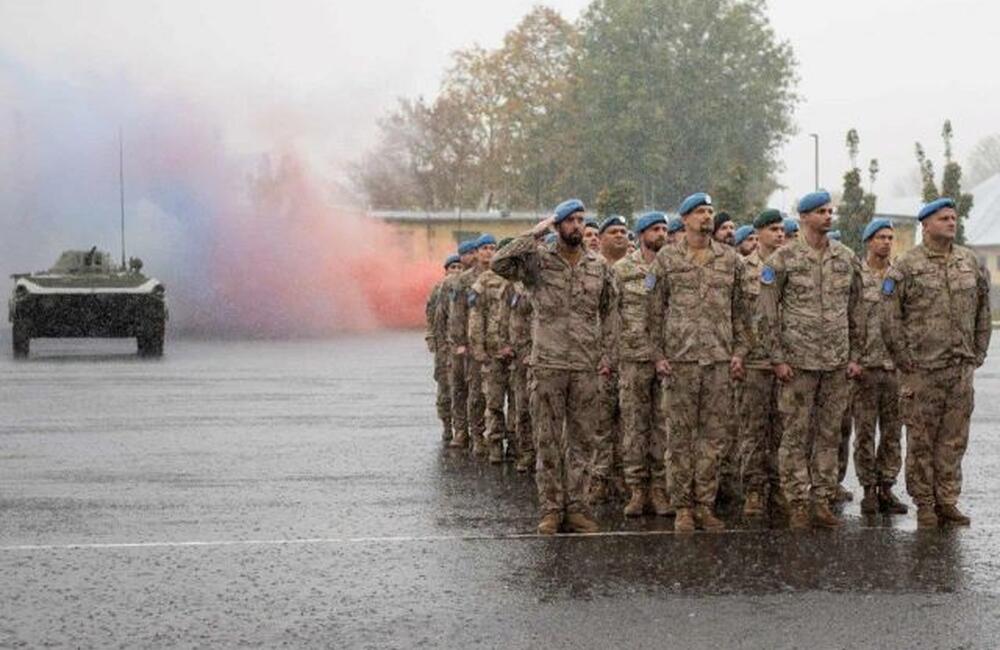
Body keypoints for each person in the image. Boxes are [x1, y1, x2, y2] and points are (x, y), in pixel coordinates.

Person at [492, 199, 617, 535]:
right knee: (547, 440)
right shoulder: (538, 262)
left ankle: (577, 508)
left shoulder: (599, 266)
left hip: (585, 365)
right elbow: (499, 263)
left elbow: (610, 313)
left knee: (582, 440)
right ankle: (551, 509)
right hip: (548, 363)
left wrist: (607, 355)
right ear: (557, 225)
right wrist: (534, 234)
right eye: (570, 220)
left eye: (581, 220)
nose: (577, 226)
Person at [883, 198, 991, 528]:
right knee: (921, 441)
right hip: (922, 371)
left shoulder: (969, 261)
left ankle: (947, 500)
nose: (951, 222)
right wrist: (905, 361)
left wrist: (979, 351)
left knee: (954, 440)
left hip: (959, 369)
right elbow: (890, 319)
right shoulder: (906, 266)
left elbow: (983, 310)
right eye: (944, 218)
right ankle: (925, 504)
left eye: (953, 218)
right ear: (926, 225)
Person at [758, 190, 863, 529]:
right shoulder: (783, 260)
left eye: (830, 211)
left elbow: (857, 310)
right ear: (803, 217)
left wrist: (855, 355)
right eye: (820, 212)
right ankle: (798, 502)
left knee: (830, 435)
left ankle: (822, 500)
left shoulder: (846, 257)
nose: (828, 216)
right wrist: (777, 358)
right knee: (795, 435)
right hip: (798, 364)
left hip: (835, 362)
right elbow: (766, 313)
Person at [649, 192, 750, 532]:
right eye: (700, 212)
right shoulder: (667, 259)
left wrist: (739, 352)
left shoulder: (730, 260)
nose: (707, 217)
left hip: (718, 360)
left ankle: (704, 504)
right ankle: (682, 507)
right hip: (681, 361)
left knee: (713, 438)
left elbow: (742, 312)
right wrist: (658, 355)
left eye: (710, 211)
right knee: (679, 438)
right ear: (685, 219)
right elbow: (654, 311)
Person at [612, 211, 672, 517]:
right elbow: (611, 314)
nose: (661, 234)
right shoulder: (622, 270)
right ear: (641, 235)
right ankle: (637, 488)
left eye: (664, 229)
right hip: (633, 358)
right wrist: (610, 354)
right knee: (634, 425)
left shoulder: (673, 267)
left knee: (663, 425)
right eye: (655, 229)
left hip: (667, 358)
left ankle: (660, 488)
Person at [853, 218, 907, 515]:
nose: (886, 242)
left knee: (892, 432)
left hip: (893, 366)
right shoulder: (856, 276)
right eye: (881, 237)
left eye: (890, 237)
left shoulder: (899, 275)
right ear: (868, 241)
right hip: (865, 367)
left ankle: (887, 487)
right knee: (864, 432)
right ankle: (868, 489)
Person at [738, 209, 785, 520]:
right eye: (772, 230)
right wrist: (739, 353)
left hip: (786, 361)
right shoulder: (743, 269)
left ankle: (780, 486)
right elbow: (736, 314)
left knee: (784, 430)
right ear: (758, 234)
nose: (779, 235)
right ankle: (754, 490)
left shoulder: (792, 265)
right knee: (754, 430)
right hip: (755, 360)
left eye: (781, 229)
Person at [590, 214, 630, 502]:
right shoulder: (592, 269)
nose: (620, 236)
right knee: (599, 422)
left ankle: (626, 479)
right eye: (613, 231)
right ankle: (599, 479)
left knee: (631, 424)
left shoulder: (639, 269)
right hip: (598, 358)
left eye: (623, 232)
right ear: (600, 238)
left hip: (632, 357)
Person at [447, 234, 496, 458]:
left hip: (496, 343)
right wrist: (460, 342)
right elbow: (457, 313)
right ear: (476, 253)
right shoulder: (464, 280)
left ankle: (492, 434)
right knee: (474, 392)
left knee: (493, 394)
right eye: (484, 248)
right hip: (473, 344)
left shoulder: (500, 276)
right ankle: (474, 436)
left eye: (492, 248)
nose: (488, 252)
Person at [469, 238, 515, 464]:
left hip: (516, 351)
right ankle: (495, 444)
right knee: (494, 401)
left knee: (518, 402)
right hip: (493, 351)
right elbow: (477, 316)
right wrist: (478, 349)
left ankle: (516, 445)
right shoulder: (485, 280)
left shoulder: (521, 279)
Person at [438, 240, 479, 450]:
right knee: (458, 389)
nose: (472, 256)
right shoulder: (453, 283)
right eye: (468, 253)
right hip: (457, 344)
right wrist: (445, 345)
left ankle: (477, 432)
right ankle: (460, 430)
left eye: (474, 252)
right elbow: (443, 317)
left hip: (478, 344)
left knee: (477, 391)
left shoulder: (484, 278)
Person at [425, 253, 463, 442]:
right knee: (444, 388)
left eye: (459, 267)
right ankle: (447, 425)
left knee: (461, 388)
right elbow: (431, 316)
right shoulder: (438, 290)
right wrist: (431, 339)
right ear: (446, 271)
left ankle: (462, 428)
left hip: (460, 346)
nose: (456, 271)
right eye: (452, 267)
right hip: (443, 347)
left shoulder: (465, 287)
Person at [500, 278, 535, 472]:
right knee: (522, 405)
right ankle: (526, 451)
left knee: (548, 408)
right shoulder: (513, 286)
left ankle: (548, 456)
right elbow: (504, 317)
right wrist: (504, 344)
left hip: (549, 351)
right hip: (521, 352)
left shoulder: (552, 278)